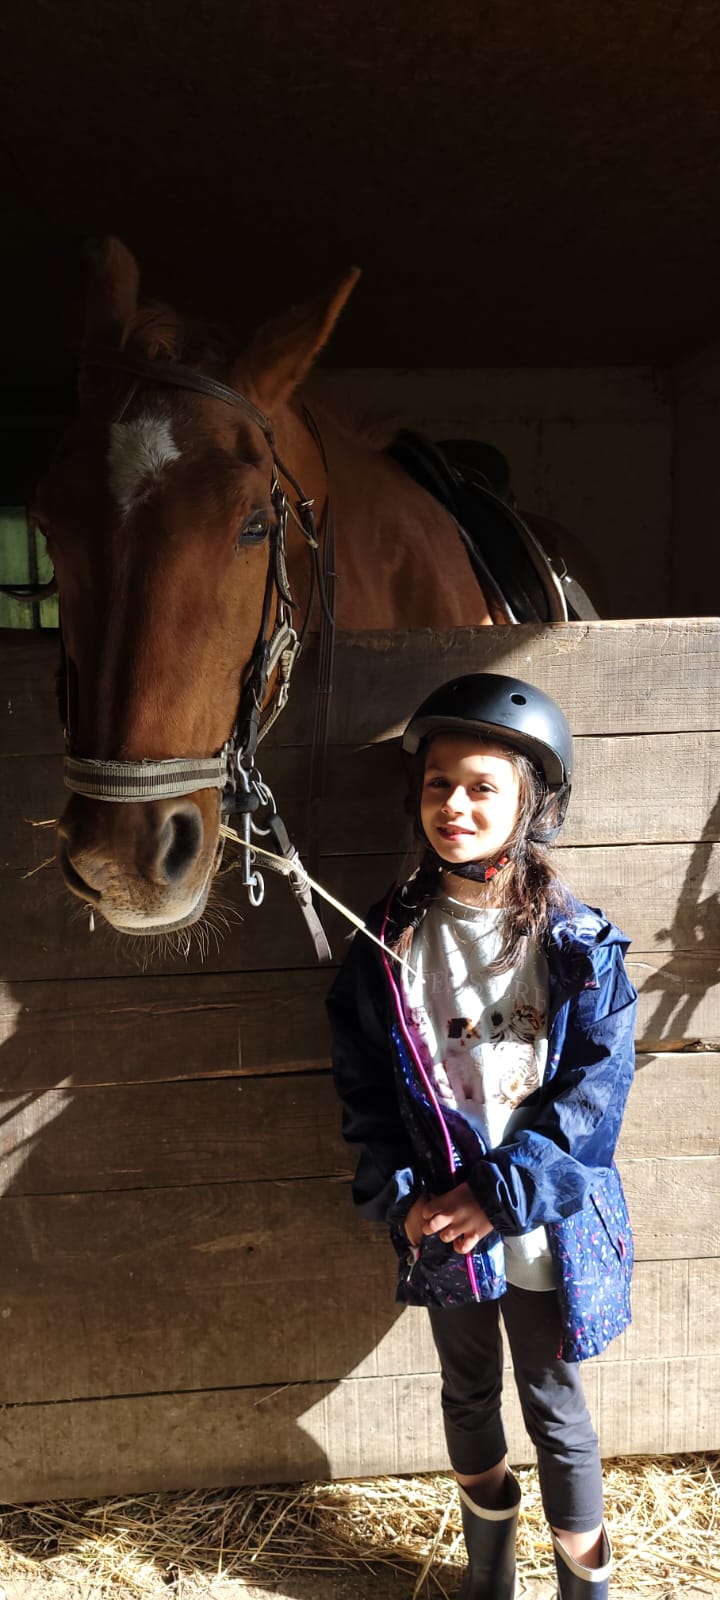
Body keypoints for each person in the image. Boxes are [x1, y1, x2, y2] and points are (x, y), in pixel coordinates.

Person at [327, 673, 637, 1600]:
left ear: (531, 805)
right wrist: (404, 1200)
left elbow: (591, 1107)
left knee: (555, 1411)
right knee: (466, 1395)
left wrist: (497, 1198)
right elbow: (365, 1092)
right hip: (442, 1228)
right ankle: (487, 1581)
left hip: (538, 1225)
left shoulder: (578, 946)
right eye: (438, 784)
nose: (454, 805)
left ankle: (583, 1585)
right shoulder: (386, 944)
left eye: (481, 787)